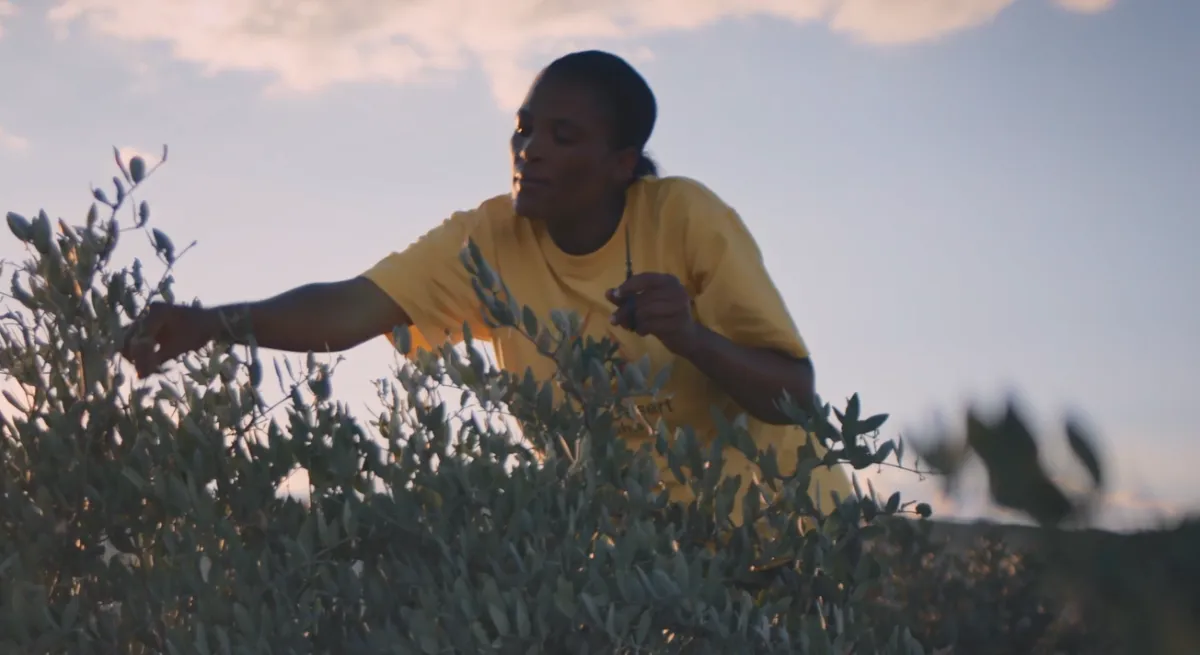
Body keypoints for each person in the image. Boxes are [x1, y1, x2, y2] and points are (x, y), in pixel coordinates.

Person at [121, 49, 851, 521]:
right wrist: (210, 325)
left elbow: (794, 393)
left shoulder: (685, 216)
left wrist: (690, 336)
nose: (530, 150)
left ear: (621, 162)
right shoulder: (486, 238)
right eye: (524, 129)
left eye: (563, 136)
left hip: (792, 547)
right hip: (647, 578)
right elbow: (348, 308)